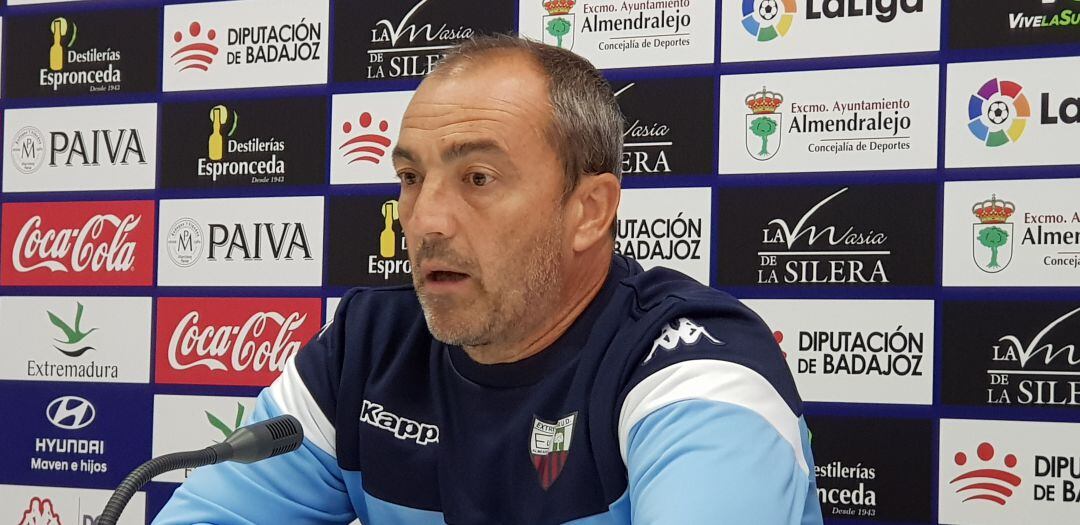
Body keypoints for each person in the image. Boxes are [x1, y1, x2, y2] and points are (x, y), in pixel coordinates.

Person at [154, 34, 823, 525]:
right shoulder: (369, 345)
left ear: (589, 210)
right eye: (412, 178)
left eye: (478, 178)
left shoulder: (694, 361)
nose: (425, 220)